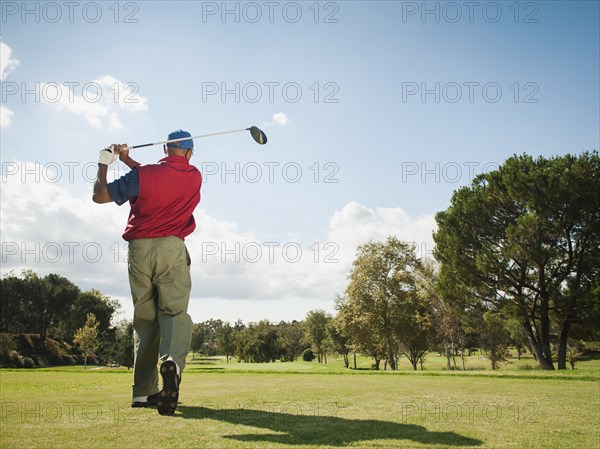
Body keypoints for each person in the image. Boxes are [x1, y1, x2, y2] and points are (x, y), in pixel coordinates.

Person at [92, 130, 202, 416]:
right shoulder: (193, 176)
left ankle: (142, 392)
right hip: (171, 248)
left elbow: (101, 196)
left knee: (145, 319)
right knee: (174, 312)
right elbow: (156, 179)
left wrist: (106, 162)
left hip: (139, 250)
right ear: (189, 153)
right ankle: (172, 364)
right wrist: (128, 160)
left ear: (165, 149)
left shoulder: (146, 175)